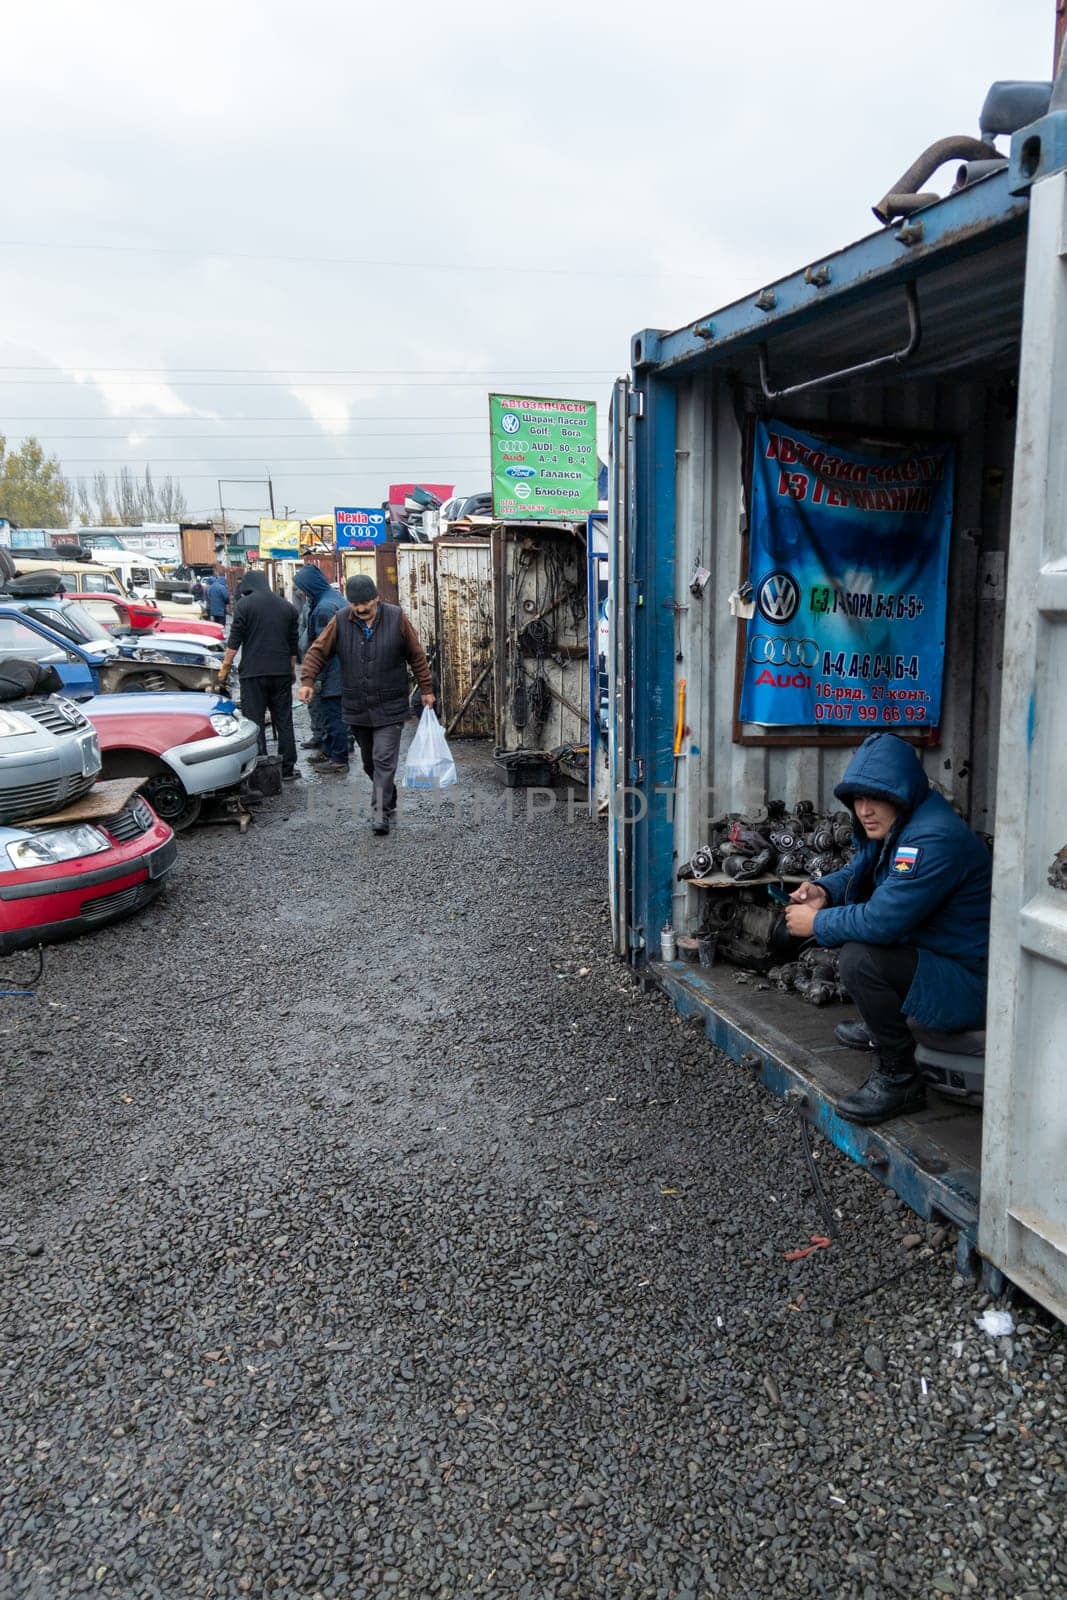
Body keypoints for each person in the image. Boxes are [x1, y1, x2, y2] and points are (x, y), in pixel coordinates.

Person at [784, 733, 991, 1124]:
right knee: (863, 948)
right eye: (857, 800)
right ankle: (886, 1027)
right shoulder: (903, 821)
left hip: (970, 985)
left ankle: (899, 1078)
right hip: (937, 959)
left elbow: (883, 921)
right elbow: (859, 871)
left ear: (901, 793)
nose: (864, 810)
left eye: (875, 798)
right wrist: (823, 891)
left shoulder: (932, 837)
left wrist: (816, 922)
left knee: (861, 959)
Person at [298, 574, 434, 833]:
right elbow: (318, 651)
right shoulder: (340, 620)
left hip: (390, 704)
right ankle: (388, 793)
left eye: (366, 604)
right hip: (357, 705)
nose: (360, 609)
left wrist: (426, 688)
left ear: (377, 599)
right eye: (355, 604)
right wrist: (307, 681)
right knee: (370, 762)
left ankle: (379, 813)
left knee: (383, 758)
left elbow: (416, 655)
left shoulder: (396, 618)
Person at [216, 569, 300, 779]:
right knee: (284, 720)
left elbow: (234, 642)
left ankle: (261, 768)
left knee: (254, 722)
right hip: (280, 672)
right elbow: (293, 645)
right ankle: (287, 768)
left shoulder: (245, 605)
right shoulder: (287, 607)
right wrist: (290, 672)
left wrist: (223, 671)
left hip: (253, 674)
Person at [292, 564, 348, 774]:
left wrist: (316, 677)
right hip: (338, 668)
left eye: (302, 588)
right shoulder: (332, 598)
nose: (301, 593)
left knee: (333, 715)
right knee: (335, 714)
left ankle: (338, 760)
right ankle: (332, 752)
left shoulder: (325, 607)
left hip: (332, 671)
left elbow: (323, 647)